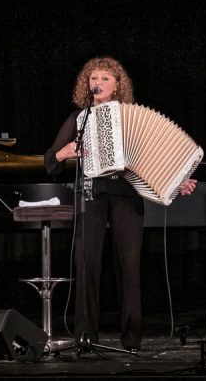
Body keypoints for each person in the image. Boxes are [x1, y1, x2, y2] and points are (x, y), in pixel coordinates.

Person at [44, 56, 196, 352]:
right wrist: (64, 153)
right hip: (91, 193)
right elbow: (50, 162)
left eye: (104, 79)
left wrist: (178, 180)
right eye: (93, 78)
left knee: (129, 266)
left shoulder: (129, 117)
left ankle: (131, 340)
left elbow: (153, 157)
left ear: (116, 86)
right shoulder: (79, 118)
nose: (97, 83)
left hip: (126, 194)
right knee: (87, 264)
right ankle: (86, 337)